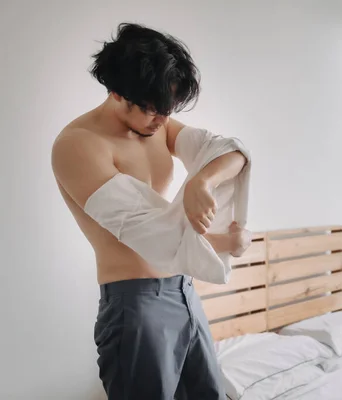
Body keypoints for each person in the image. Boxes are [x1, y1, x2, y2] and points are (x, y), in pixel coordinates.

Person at [51, 23, 250, 400]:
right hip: (136, 303)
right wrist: (229, 241)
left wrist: (200, 182)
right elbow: (154, 235)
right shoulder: (79, 146)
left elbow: (231, 151)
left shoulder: (154, 122)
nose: (163, 119)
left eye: (169, 109)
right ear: (115, 92)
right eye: (154, 109)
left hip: (185, 291)